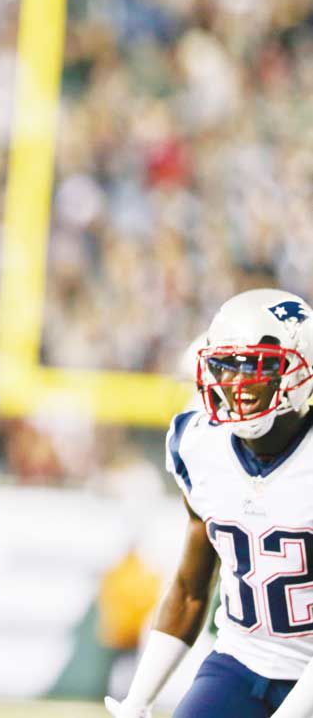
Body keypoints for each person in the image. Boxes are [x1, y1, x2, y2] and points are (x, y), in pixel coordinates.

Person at [105, 288, 313, 718]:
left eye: (255, 366)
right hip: (241, 660)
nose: (236, 383)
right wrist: (138, 700)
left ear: (299, 373)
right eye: (226, 365)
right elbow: (189, 589)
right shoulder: (200, 444)